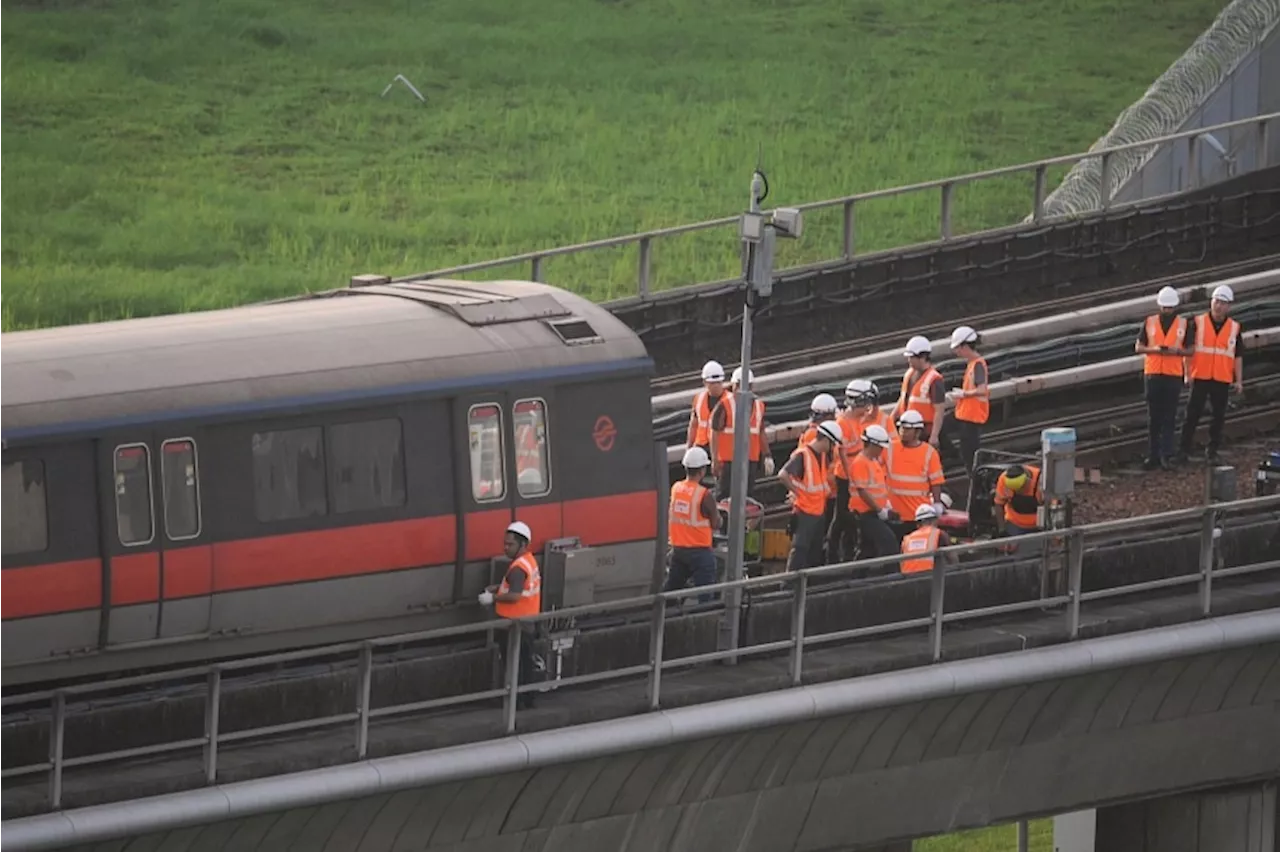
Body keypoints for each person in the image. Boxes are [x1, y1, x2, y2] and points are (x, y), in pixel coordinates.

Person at [827, 379, 896, 561]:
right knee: (841, 518)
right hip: (846, 477)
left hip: (856, 474)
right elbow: (840, 453)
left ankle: (847, 552)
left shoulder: (860, 420)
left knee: (849, 520)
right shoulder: (843, 423)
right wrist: (851, 476)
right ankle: (832, 556)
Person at [1177, 284, 1245, 465]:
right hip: (1200, 376)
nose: (1219, 306)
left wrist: (1239, 380)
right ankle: (1183, 451)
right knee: (1192, 414)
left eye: (1223, 303)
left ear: (1229, 306)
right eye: (1217, 302)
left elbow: (1238, 356)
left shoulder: (1234, 328)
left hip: (1221, 378)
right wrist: (1187, 373)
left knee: (1218, 416)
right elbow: (1188, 350)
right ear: (1211, 302)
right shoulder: (1197, 323)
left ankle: (1212, 450)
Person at [478, 521, 542, 709]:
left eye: (510, 544)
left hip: (515, 625)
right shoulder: (528, 561)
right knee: (525, 664)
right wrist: (497, 588)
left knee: (514, 665)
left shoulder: (517, 568)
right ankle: (527, 700)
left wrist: (492, 598)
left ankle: (516, 703)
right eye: (505, 543)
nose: (505, 548)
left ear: (523, 544)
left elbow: (514, 595)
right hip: (528, 621)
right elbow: (518, 588)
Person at [1135, 286, 1190, 470]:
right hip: (1153, 375)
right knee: (1154, 418)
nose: (1167, 311)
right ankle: (1153, 456)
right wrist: (1155, 350)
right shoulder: (1149, 322)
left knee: (1169, 418)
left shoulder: (1183, 324)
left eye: (1170, 307)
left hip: (1173, 375)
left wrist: (1178, 352)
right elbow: (1138, 347)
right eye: (1165, 307)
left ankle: (1166, 455)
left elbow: (1191, 350)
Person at [779, 420, 842, 572]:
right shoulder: (803, 455)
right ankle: (788, 588)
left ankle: (809, 588)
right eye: (833, 444)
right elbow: (783, 475)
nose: (833, 449)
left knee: (813, 555)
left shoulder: (820, 457)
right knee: (799, 552)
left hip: (818, 512)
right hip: (805, 513)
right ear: (826, 440)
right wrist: (798, 493)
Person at [664, 446, 722, 603]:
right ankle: (705, 619)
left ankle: (663, 617)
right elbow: (716, 523)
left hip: (678, 550)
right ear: (702, 471)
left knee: (671, 588)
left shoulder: (676, 488)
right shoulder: (704, 494)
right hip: (700, 552)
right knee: (706, 594)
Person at [709, 366, 773, 501]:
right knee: (724, 497)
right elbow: (714, 432)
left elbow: (760, 431)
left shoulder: (759, 406)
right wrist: (715, 459)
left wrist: (767, 455)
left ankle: (743, 521)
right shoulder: (725, 405)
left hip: (750, 461)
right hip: (728, 462)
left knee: (746, 497)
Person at [885, 410, 946, 538]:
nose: (902, 432)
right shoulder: (890, 448)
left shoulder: (929, 453)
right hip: (895, 514)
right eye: (901, 428)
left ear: (918, 432)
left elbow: (936, 482)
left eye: (907, 429)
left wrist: (937, 503)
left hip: (918, 515)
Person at [848, 424, 900, 560]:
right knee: (888, 542)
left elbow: (878, 488)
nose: (882, 450)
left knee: (867, 549)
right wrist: (879, 510)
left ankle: (860, 576)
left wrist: (886, 505)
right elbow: (862, 490)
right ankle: (890, 574)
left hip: (873, 512)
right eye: (880, 447)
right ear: (872, 445)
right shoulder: (860, 463)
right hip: (864, 514)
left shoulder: (873, 462)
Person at [945, 326, 989, 476]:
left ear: (965, 346)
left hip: (972, 417)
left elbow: (982, 389)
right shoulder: (972, 364)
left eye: (958, 348)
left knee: (970, 458)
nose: (956, 351)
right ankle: (952, 455)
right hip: (964, 414)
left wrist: (963, 394)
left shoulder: (977, 364)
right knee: (939, 427)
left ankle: (978, 486)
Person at [894, 336, 946, 449]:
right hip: (908, 430)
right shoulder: (909, 374)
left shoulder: (934, 379)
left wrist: (934, 436)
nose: (909, 360)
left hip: (924, 431)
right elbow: (903, 398)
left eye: (912, 357)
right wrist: (892, 418)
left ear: (922, 357)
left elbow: (939, 410)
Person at [686, 360, 727, 456]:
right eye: (712, 383)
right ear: (705, 382)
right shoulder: (699, 399)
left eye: (718, 382)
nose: (716, 386)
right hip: (701, 447)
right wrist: (689, 448)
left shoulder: (729, 400)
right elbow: (693, 425)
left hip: (722, 449)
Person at [900, 504, 954, 574]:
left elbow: (901, 563)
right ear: (934, 520)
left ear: (917, 524)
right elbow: (952, 558)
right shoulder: (939, 534)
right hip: (930, 578)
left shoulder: (907, 539)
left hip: (908, 580)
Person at [993, 464, 1043, 536]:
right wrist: (1002, 530)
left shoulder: (1041, 480)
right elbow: (999, 504)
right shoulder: (1004, 479)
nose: (1019, 492)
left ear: (1028, 480)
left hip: (1039, 526)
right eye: (1015, 490)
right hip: (1014, 524)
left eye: (1021, 488)